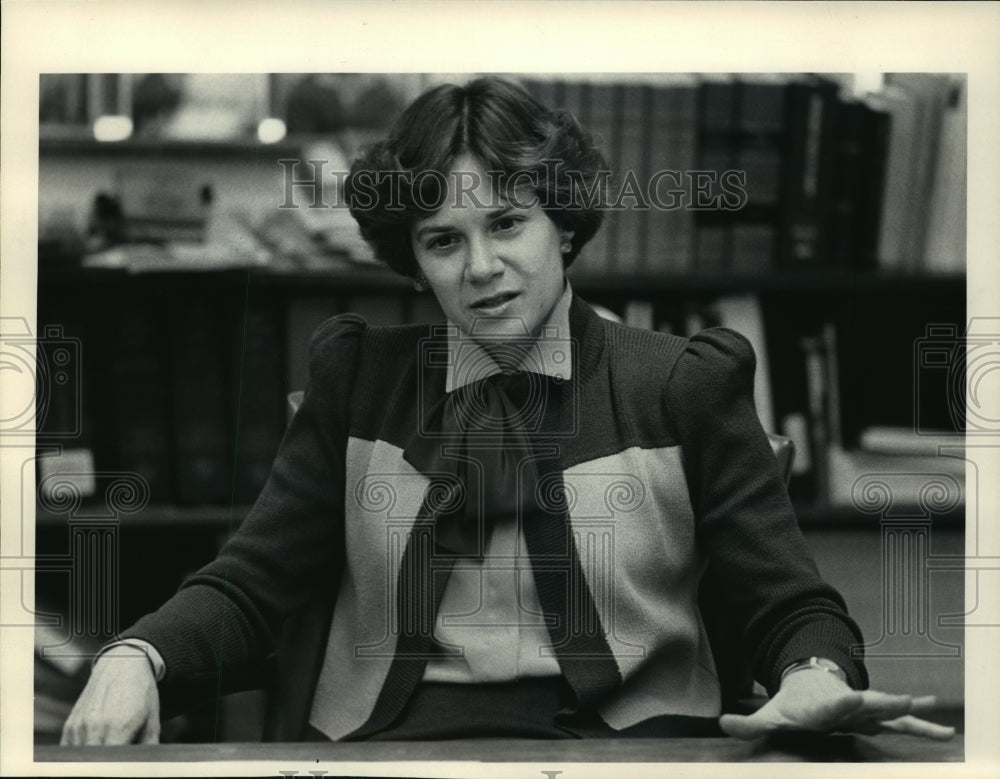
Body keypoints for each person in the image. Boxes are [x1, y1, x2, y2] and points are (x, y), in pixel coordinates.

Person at [61, 76, 955, 746]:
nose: (481, 267)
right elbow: (251, 583)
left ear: (562, 223)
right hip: (391, 753)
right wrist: (134, 656)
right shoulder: (358, 383)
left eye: (507, 223)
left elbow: (790, 601)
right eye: (443, 240)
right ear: (415, 263)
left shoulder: (681, 385)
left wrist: (813, 673)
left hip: (639, 754)